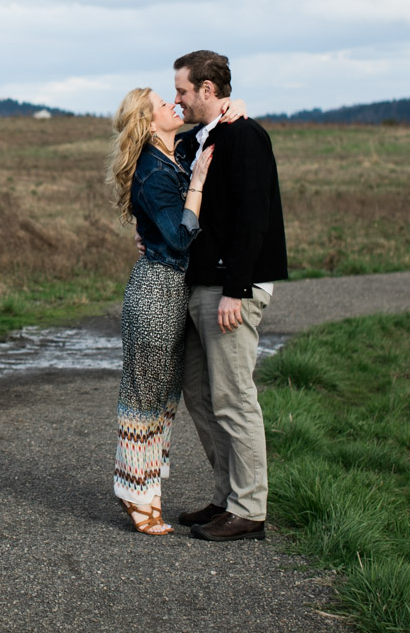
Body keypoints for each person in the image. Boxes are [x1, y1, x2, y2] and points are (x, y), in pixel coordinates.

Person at [169, 50, 288, 542]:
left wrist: (236, 288)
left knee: (235, 398)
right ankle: (225, 498)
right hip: (198, 286)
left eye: (182, 91)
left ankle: (249, 510)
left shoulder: (245, 136)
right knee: (200, 394)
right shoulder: (194, 141)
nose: (177, 99)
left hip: (230, 289)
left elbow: (252, 217)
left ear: (208, 90)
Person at [107, 86, 216, 535]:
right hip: (155, 291)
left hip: (173, 291)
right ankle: (134, 493)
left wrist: (236, 106)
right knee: (143, 395)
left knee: (163, 399)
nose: (174, 105)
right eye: (162, 103)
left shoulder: (173, 152)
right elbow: (176, 236)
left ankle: (149, 491)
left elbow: (205, 127)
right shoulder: (154, 170)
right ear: (150, 124)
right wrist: (197, 185)